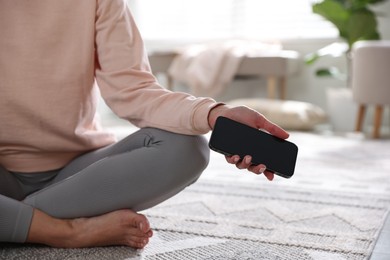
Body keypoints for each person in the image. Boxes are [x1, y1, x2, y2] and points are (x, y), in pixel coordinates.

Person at [0, 0, 289, 249]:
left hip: (78, 175)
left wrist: (214, 114)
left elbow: (133, 91)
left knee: (188, 148)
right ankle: (66, 231)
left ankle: (16, 221)